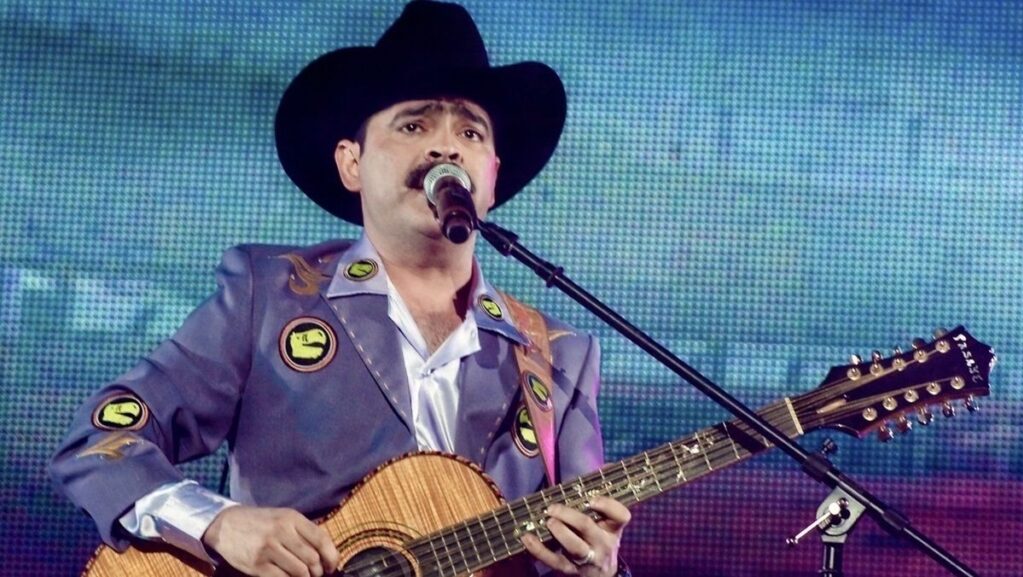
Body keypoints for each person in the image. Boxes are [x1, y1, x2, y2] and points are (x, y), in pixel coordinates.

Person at [50, 2, 631, 576]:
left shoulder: (561, 357)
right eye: (414, 125)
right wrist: (219, 524)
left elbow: (579, 549)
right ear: (352, 163)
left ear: (492, 176)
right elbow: (101, 440)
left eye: (470, 131)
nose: (446, 147)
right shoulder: (268, 296)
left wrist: (598, 570)